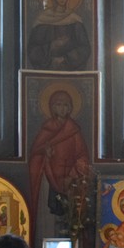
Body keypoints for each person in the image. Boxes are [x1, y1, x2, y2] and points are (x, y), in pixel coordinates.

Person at [28, 86, 91, 235]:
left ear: (70, 108)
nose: (62, 108)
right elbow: (35, 153)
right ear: (52, 107)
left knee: (69, 215)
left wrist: (73, 174)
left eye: (65, 105)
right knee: (50, 215)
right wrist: (45, 154)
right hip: (48, 177)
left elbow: (82, 156)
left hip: (69, 180)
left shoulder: (73, 130)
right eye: (58, 104)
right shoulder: (47, 128)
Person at [27, 0, 91, 70]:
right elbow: (32, 50)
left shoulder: (75, 20)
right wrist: (51, 46)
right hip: (45, 71)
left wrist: (65, 59)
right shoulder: (43, 19)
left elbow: (85, 49)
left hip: (70, 70)